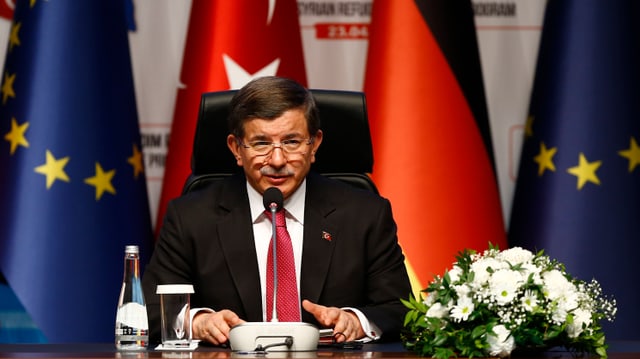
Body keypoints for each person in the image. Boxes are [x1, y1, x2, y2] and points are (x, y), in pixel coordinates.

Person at [142, 76, 412, 346]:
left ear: (315, 143)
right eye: (261, 144)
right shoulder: (190, 217)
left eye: (292, 142)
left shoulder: (365, 215)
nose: (278, 160)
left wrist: (356, 322)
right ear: (236, 148)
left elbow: (400, 311)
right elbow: (150, 312)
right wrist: (198, 322)